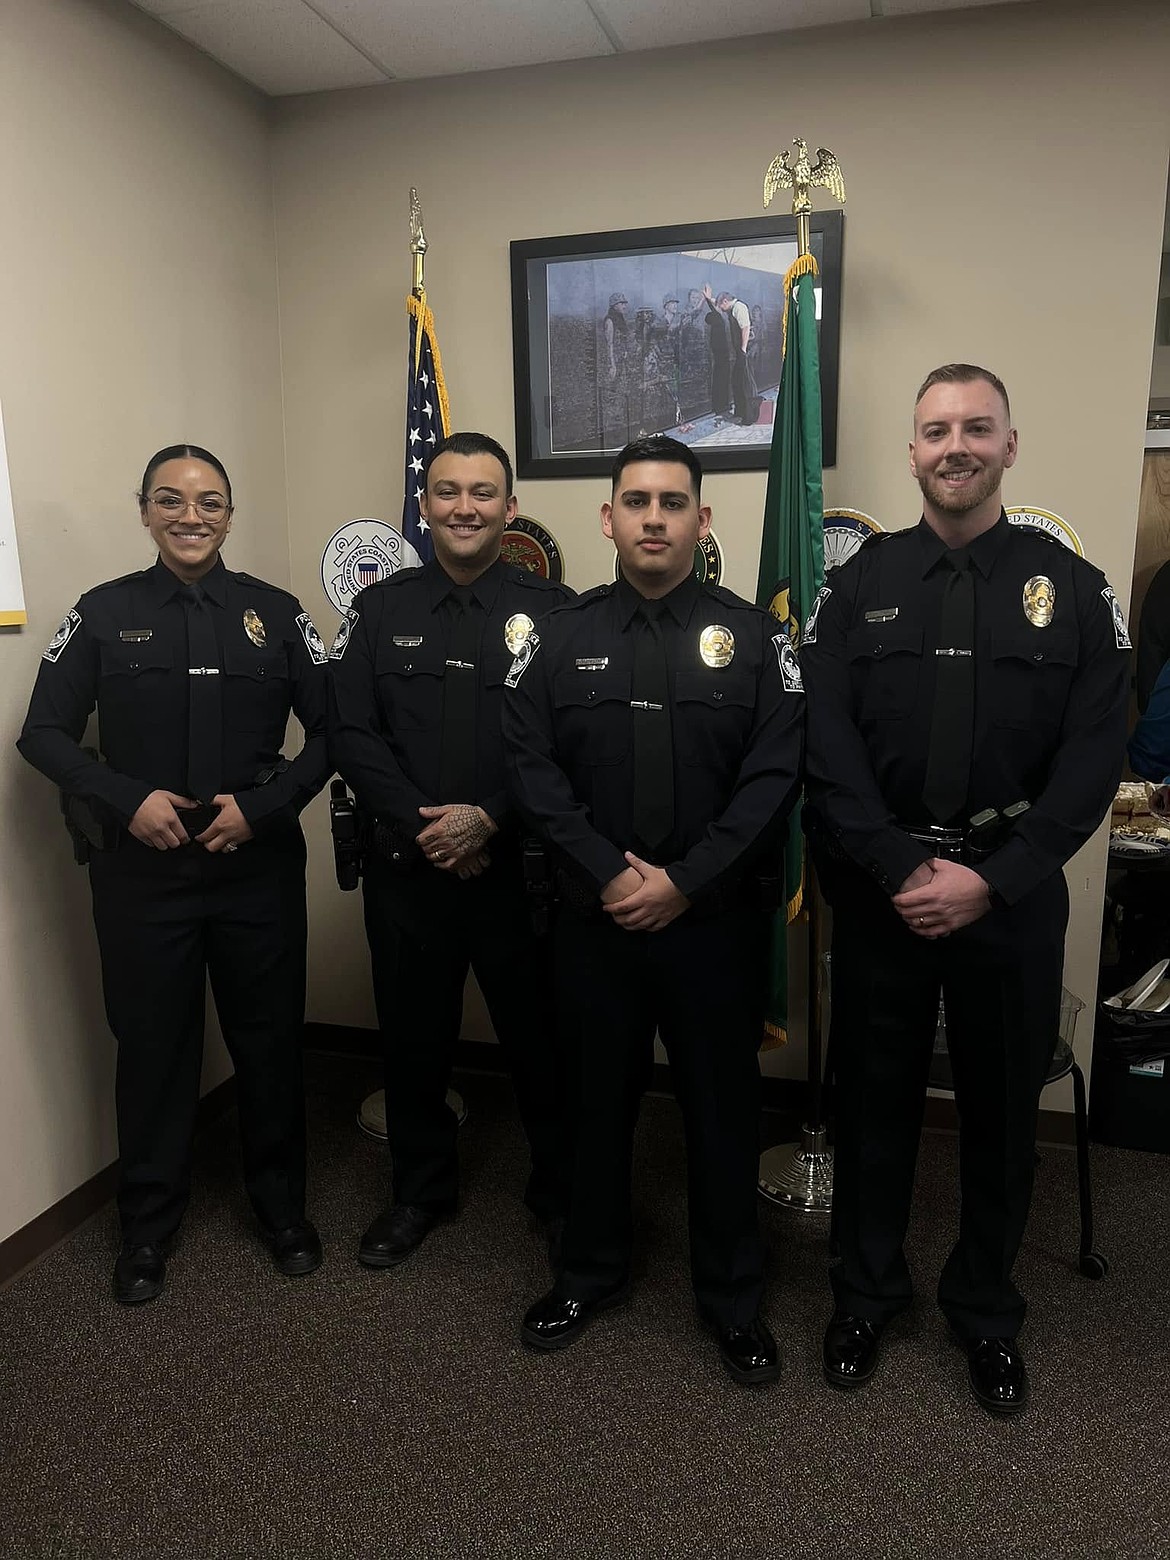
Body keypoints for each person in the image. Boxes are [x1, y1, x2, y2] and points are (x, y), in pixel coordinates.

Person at [802, 366, 1130, 1414]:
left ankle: (985, 1312)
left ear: (1010, 445)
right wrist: (900, 868)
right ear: (911, 453)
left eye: (976, 428)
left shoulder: (1072, 589)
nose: (956, 446)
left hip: (1013, 900)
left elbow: (1093, 759)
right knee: (874, 1105)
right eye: (936, 429)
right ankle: (865, 1293)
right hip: (884, 894)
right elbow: (828, 743)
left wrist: (994, 880)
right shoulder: (857, 586)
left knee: (999, 1117)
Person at [503, 435, 803, 1384]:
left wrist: (687, 880)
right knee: (597, 1106)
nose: (655, 518)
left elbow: (772, 779)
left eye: (675, 502)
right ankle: (589, 1269)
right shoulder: (556, 638)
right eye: (636, 501)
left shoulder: (757, 640)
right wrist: (609, 874)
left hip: (711, 928)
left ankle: (732, 1299)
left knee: (721, 1114)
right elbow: (530, 769)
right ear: (608, 518)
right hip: (597, 925)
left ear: (703, 520)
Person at [18, 444, 329, 1304]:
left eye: (210, 502)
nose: (191, 516)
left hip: (253, 870)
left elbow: (338, 731)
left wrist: (263, 809)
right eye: (171, 500)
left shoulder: (277, 612)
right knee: (153, 1052)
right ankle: (147, 1228)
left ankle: (282, 1210)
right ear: (145, 511)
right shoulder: (103, 614)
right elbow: (41, 733)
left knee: (268, 1046)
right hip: (143, 877)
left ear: (231, 514)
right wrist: (125, 799)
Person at [327, 431, 574, 1269]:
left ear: (510, 507)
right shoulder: (379, 609)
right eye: (446, 491)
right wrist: (429, 827)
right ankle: (419, 1194)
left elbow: (570, 742)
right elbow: (352, 732)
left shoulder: (555, 612)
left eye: (482, 492)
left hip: (521, 878)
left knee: (543, 1045)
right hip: (410, 875)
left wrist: (492, 820)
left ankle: (558, 1194)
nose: (464, 507)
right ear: (424, 505)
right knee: (412, 1041)